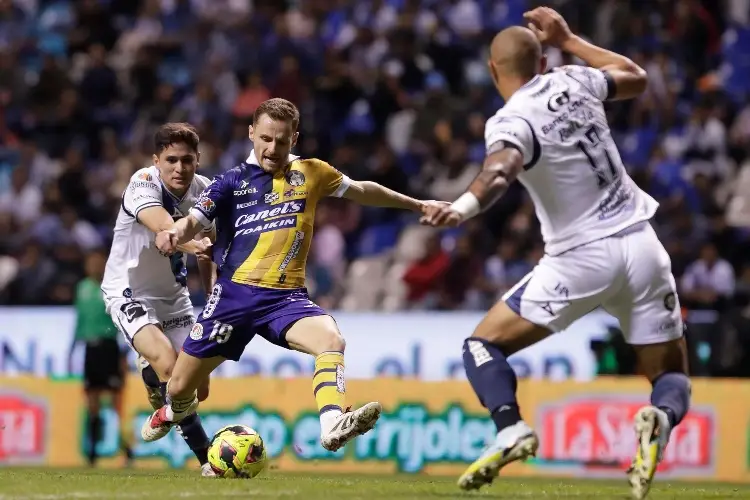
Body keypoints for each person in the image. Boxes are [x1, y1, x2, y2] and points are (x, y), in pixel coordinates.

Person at [421, 8, 690, 499]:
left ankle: (511, 430)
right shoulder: (574, 79)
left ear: (492, 69)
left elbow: (501, 170)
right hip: (644, 247)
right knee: (670, 373)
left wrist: (460, 208)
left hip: (580, 259)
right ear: (543, 59)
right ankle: (660, 418)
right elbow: (636, 77)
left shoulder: (511, 118)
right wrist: (572, 39)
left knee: (483, 346)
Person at [140, 98, 446, 456]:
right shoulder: (229, 182)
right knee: (179, 388)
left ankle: (332, 424)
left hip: (285, 300)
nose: (272, 149)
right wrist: (176, 233)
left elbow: (363, 190)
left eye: (282, 141)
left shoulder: (313, 173)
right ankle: (171, 410)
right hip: (232, 300)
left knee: (331, 340)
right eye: (266, 138)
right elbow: (194, 220)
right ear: (252, 133)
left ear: (294, 138)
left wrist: (419, 205)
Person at [101, 123, 218, 476]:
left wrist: (212, 298)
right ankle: (209, 461)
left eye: (186, 160)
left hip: (174, 297)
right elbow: (165, 228)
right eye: (171, 160)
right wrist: (193, 242)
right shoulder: (142, 183)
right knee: (169, 365)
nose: (179, 168)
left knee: (199, 389)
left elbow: (211, 253)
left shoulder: (206, 193)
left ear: (197, 161)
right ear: (156, 161)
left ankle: (154, 382)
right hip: (129, 290)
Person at [73, 250, 133, 467]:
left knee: (115, 404)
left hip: (110, 349)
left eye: (98, 263)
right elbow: (78, 321)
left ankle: (127, 449)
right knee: (92, 403)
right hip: (91, 349)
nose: (95, 267)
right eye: (91, 262)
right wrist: (72, 350)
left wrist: (124, 354)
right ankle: (92, 453)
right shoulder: (81, 289)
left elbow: (123, 320)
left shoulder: (113, 287)